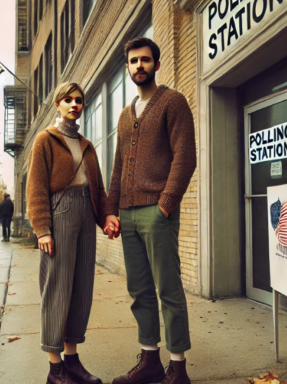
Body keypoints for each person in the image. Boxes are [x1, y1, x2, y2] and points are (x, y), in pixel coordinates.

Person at [105, 38, 197, 384]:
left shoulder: (172, 102)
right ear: (128, 68)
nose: (139, 66)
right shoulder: (126, 115)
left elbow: (184, 158)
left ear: (156, 65)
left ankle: (178, 366)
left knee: (168, 289)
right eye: (133, 61)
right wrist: (110, 211)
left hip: (156, 213)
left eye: (145, 60)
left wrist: (165, 206)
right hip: (127, 215)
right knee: (139, 290)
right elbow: (117, 168)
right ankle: (150, 361)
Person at [27, 82, 120, 384]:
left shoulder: (87, 146)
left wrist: (106, 215)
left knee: (81, 288)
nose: (74, 104)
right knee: (57, 288)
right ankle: (55, 371)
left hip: (85, 213)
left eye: (78, 100)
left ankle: (72, 361)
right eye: (67, 100)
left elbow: (99, 189)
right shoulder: (46, 140)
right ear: (58, 104)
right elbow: (36, 188)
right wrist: (42, 229)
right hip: (60, 213)